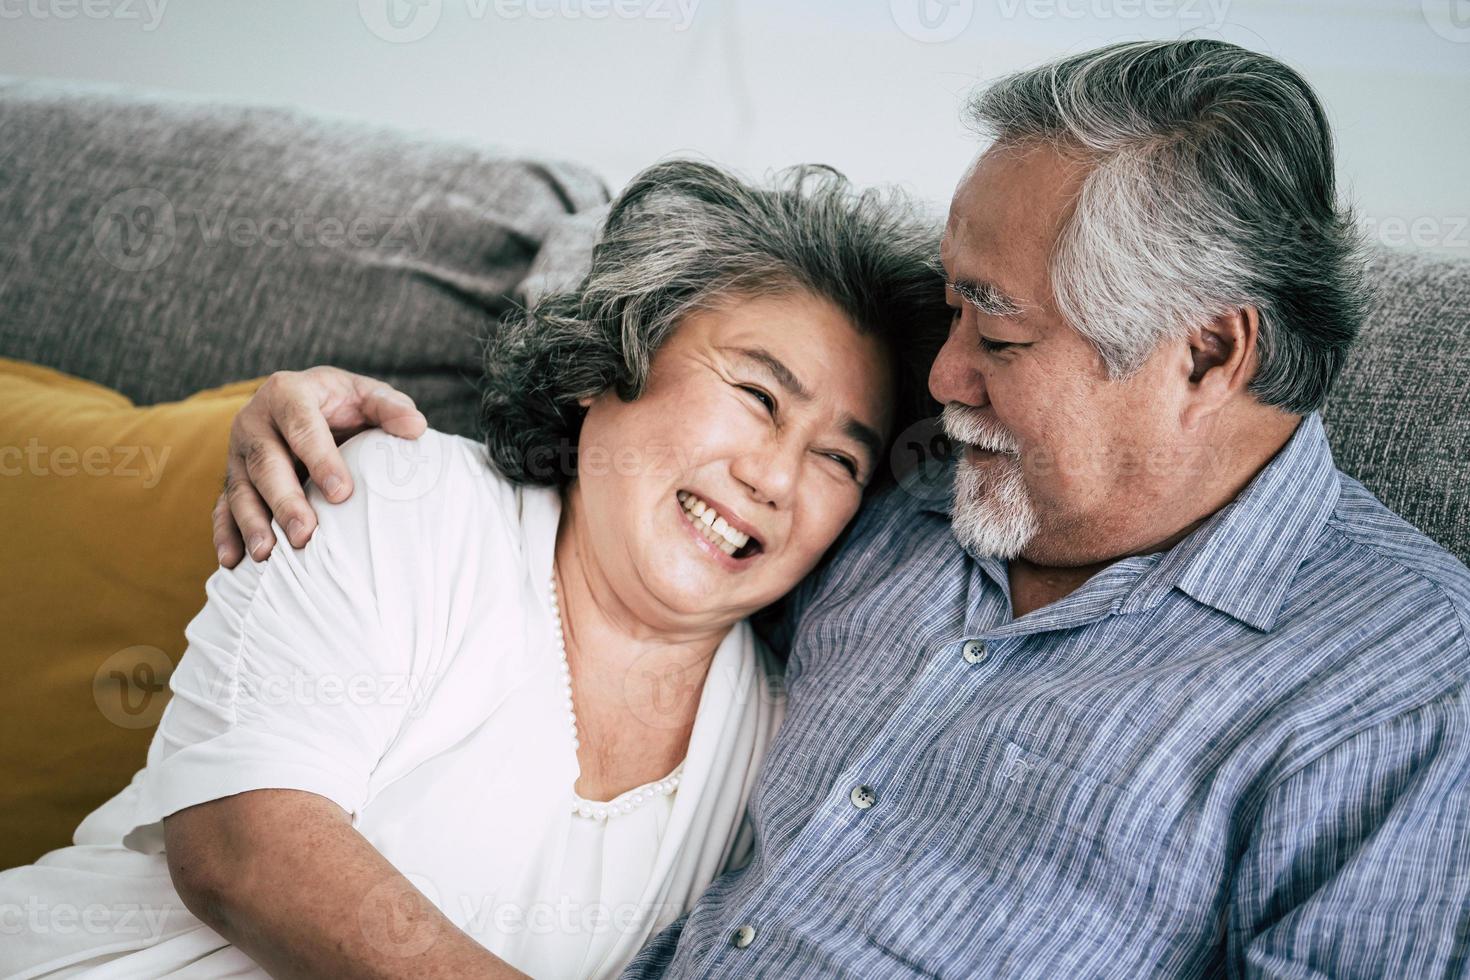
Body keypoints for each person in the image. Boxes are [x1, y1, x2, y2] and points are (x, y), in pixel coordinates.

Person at [208, 40, 1470, 978]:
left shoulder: (1403, 682)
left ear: (1205, 355)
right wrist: (332, 419)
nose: (944, 376)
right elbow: (641, 506)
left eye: (1002, 329)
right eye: (954, 303)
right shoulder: (919, 497)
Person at [0, 161, 950, 979]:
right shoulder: (401, 498)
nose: (774, 476)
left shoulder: (787, 741)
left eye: (840, 460)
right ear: (604, 364)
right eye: (755, 394)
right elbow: (242, 851)